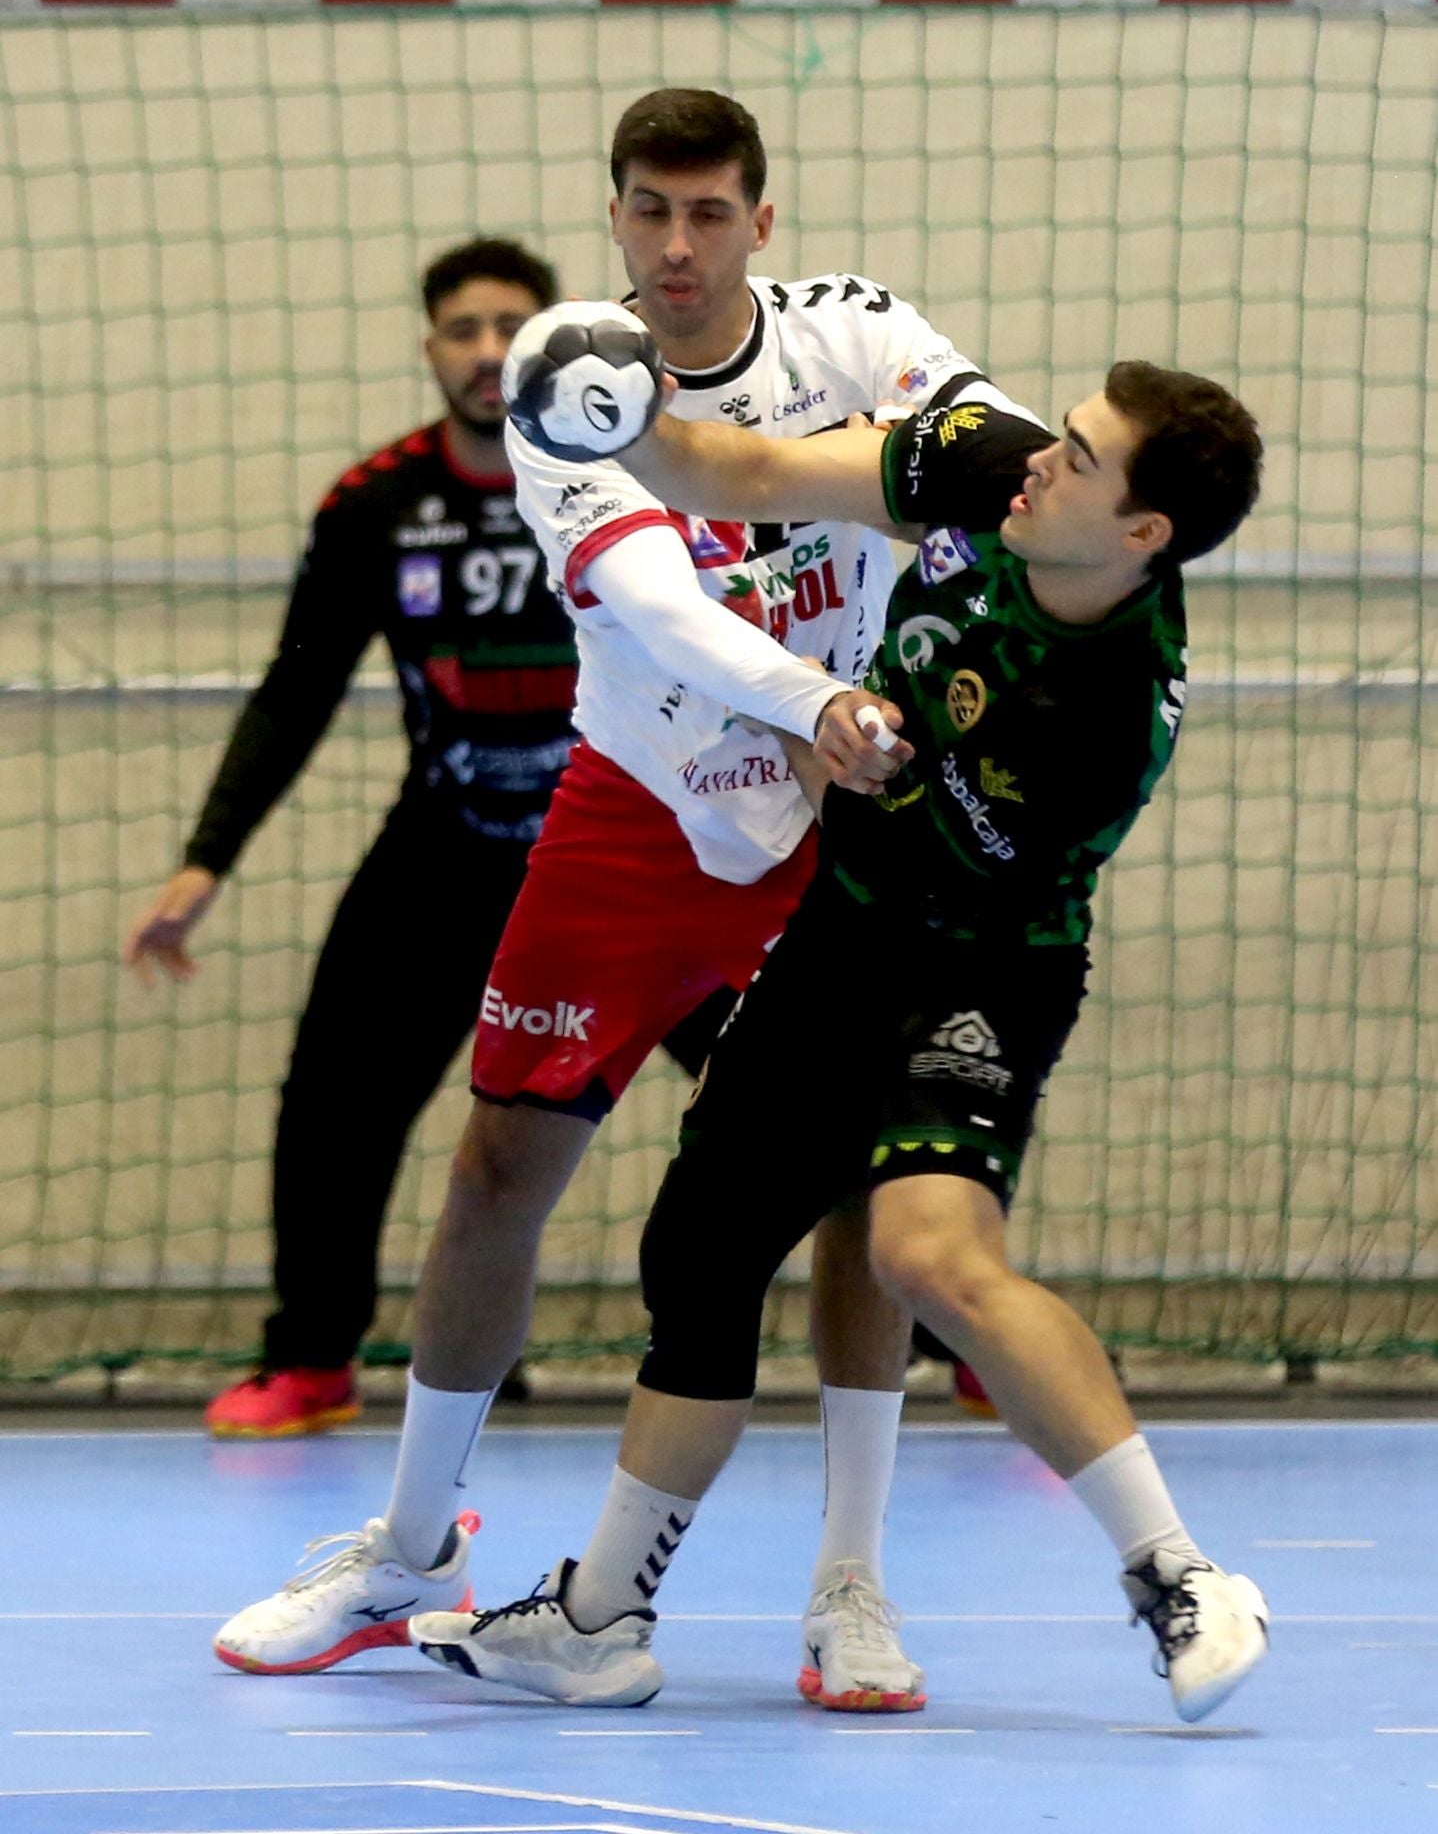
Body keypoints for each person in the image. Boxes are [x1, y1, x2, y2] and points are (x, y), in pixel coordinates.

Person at [212, 86, 984, 1708]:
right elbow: (657, 604)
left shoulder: (852, 328)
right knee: (499, 1161)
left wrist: (900, 485)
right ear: (614, 216)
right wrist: (826, 671)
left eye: (710, 213)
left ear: (759, 223)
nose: (678, 242)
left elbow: (979, 443)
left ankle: (850, 1583)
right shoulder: (572, 373)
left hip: (833, 833)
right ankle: (414, 1545)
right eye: (649, 210)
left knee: (856, 1188)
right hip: (645, 803)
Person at [411, 359, 1273, 1725]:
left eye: (1086, 463)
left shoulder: (1096, 720)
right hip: (845, 932)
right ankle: (597, 1620)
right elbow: (743, 474)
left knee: (920, 1250)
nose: (1045, 458)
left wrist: (827, 736)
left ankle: (1178, 1574)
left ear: (1141, 537)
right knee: (695, 1253)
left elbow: (915, 829)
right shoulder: (993, 461)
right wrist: (614, 420)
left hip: (985, 963)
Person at [122, 236, 731, 1439]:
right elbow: (293, 693)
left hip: (629, 845)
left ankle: (941, 1324)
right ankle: (311, 1359)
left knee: (794, 1080)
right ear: (431, 349)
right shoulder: (374, 506)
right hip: (445, 849)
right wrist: (204, 862)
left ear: (551, 344)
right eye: (463, 328)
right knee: (333, 1102)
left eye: (513, 325)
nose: (489, 349)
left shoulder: (631, 483)